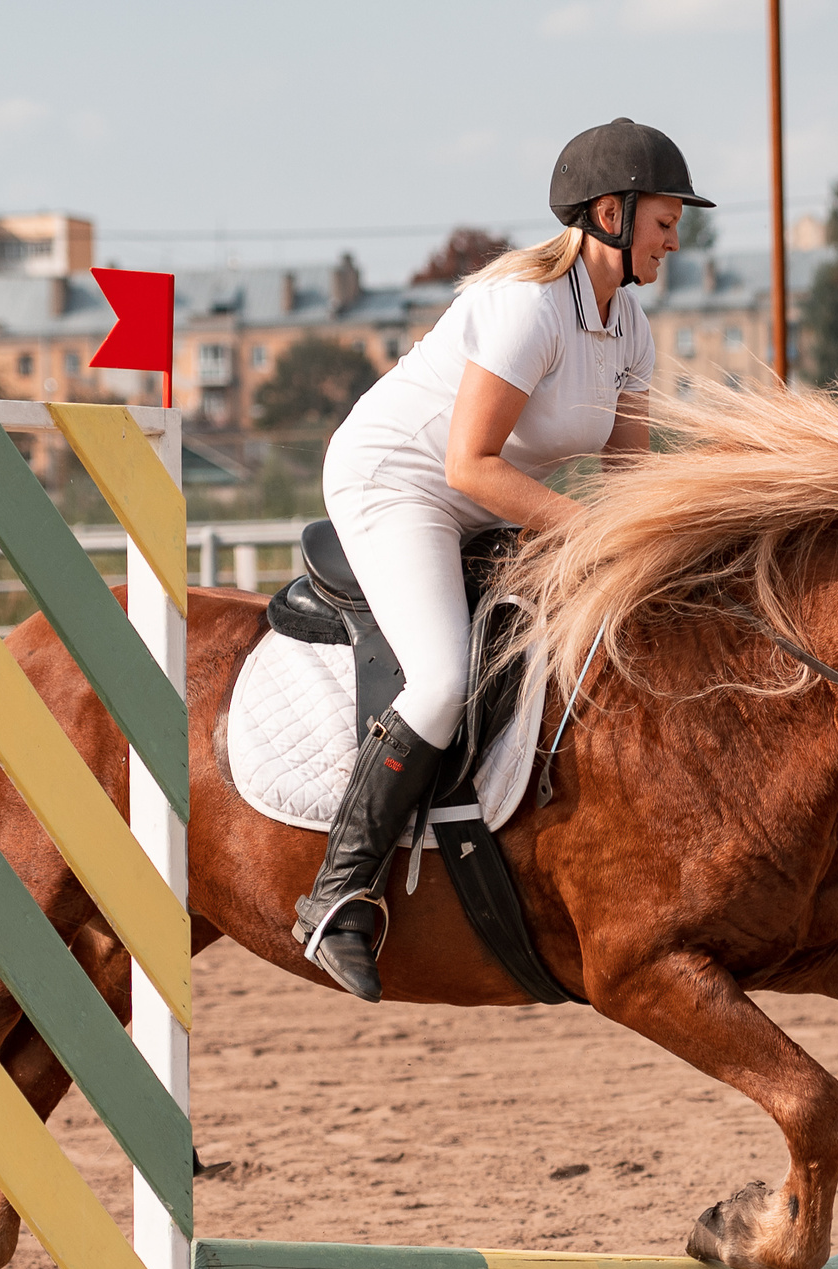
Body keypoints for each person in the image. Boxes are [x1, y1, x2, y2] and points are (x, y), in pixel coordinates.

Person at [295, 117, 712, 1000]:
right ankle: (338, 892)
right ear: (611, 214)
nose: (676, 240)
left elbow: (629, 483)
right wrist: (589, 533)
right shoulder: (530, 306)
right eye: (666, 221)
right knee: (443, 678)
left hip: (487, 497)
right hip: (398, 480)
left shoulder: (630, 327)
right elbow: (468, 464)